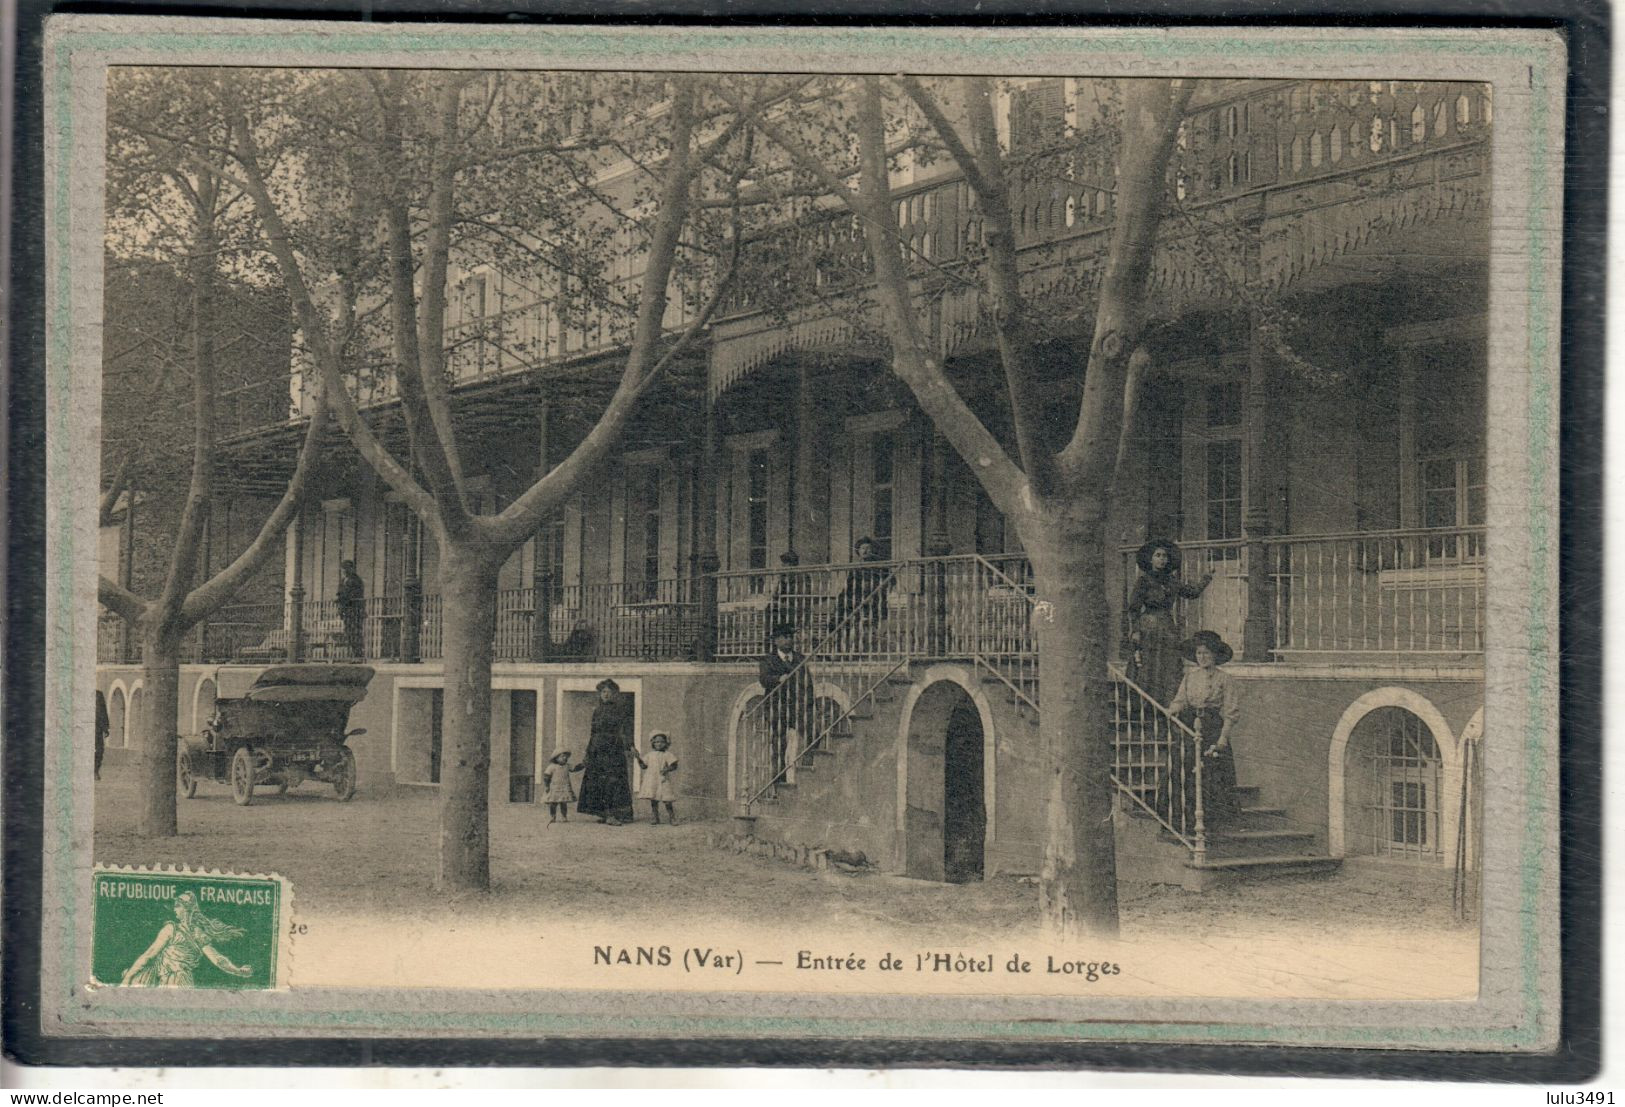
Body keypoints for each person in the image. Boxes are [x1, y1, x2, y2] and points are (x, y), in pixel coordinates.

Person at [1161, 630, 1241, 833]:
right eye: (1199, 653)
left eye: (1206, 653)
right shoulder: (1190, 677)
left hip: (1212, 727)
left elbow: (1231, 712)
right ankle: (1183, 821)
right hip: (1190, 725)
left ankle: (1213, 823)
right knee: (1184, 768)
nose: (1202, 657)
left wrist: (1223, 737)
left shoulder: (1225, 679)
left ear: (1214, 655)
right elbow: (1181, 701)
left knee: (1210, 773)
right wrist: (1171, 710)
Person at [1124, 538, 1213, 707]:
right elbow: (1134, 608)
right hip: (1148, 625)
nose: (1162, 559)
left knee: (1169, 661)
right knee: (1149, 662)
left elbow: (1191, 593)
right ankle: (1145, 704)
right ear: (1151, 559)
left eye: (1164, 556)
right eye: (1158, 555)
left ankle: (1166, 702)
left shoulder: (1172, 581)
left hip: (1166, 624)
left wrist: (1206, 578)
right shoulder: (1144, 581)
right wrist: (1135, 630)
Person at [120, 891, 253, 987]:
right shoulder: (197, 933)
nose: (174, 908)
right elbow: (218, 960)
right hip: (186, 983)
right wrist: (238, 971)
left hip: (170, 983)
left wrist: (128, 977)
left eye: (178, 905)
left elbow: (148, 955)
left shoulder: (171, 929)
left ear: (187, 909)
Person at [758, 622, 815, 780]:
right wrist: (778, 679)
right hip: (778, 709)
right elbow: (764, 679)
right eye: (785, 637)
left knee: (812, 733)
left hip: (797, 708)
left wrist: (808, 705)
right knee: (779, 746)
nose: (789, 640)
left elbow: (808, 683)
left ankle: (808, 766)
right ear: (776, 640)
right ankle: (778, 781)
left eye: (790, 637)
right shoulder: (768, 660)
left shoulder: (799, 658)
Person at [576, 678, 635, 825]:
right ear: (600, 693)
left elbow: (626, 729)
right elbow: (593, 732)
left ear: (615, 694)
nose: (606, 694)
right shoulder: (597, 711)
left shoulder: (620, 710)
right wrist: (588, 752)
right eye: (603, 692)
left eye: (609, 692)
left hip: (614, 748)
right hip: (597, 748)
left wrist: (630, 745)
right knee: (598, 780)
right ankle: (603, 812)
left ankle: (613, 814)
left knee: (612, 780)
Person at [830, 536, 891, 652]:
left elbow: (884, 586)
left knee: (857, 620)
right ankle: (839, 649)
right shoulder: (856, 568)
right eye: (862, 548)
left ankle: (855, 649)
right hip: (855, 601)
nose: (865, 551)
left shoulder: (880, 567)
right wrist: (840, 599)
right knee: (838, 618)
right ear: (858, 551)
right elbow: (848, 587)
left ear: (873, 550)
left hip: (872, 602)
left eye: (868, 548)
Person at [633, 732, 680, 825]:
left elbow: (674, 765)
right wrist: (638, 758)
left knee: (667, 800)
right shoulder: (650, 755)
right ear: (653, 743)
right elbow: (643, 766)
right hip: (652, 779)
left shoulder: (667, 754)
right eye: (657, 742)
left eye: (662, 742)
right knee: (653, 799)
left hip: (663, 779)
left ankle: (672, 818)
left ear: (666, 743)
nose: (659, 744)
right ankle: (655, 817)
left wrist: (667, 769)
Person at [765, 550, 810, 640]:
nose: (782, 566)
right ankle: (771, 634)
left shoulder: (801, 577)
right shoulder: (784, 577)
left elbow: (801, 598)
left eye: (785, 564)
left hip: (797, 609)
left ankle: (775, 633)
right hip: (786, 609)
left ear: (791, 564)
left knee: (773, 609)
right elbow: (775, 595)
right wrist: (778, 581)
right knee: (770, 607)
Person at [541, 748, 582, 824]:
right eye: (562, 756)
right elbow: (546, 777)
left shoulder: (567, 766)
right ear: (556, 758)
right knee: (553, 803)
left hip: (564, 788)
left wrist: (583, 765)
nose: (565, 758)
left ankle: (564, 816)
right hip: (554, 788)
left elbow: (575, 769)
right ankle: (553, 816)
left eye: (566, 756)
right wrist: (547, 786)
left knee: (563, 803)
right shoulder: (552, 767)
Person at [336, 560, 366, 660]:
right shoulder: (343, 580)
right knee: (349, 632)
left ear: (352, 569)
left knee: (355, 632)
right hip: (346, 610)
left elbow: (354, 594)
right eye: (343, 568)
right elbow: (340, 593)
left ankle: (358, 655)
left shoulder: (356, 580)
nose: (344, 570)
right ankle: (353, 654)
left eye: (347, 568)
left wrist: (343, 599)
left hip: (354, 610)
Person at [94, 688, 110, 781]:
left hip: (97, 728)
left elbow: (103, 711)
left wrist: (106, 727)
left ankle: (95, 771)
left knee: (99, 750)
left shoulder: (99, 694)